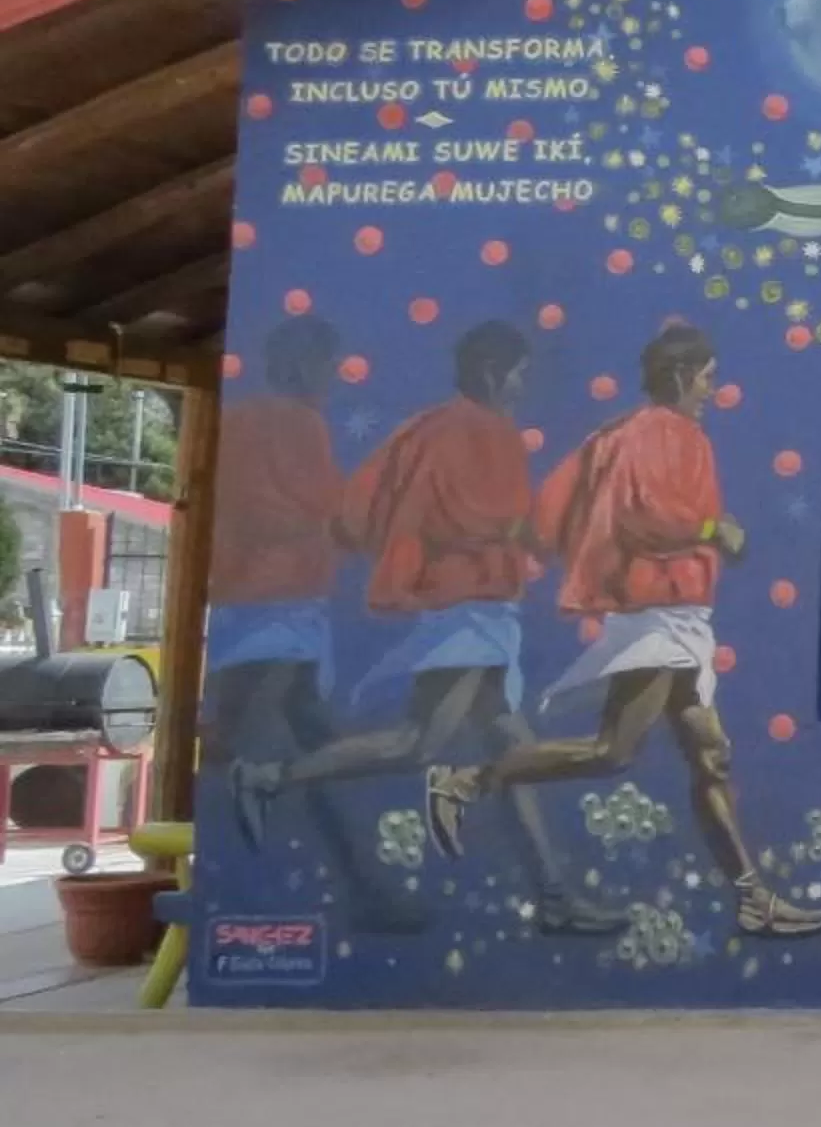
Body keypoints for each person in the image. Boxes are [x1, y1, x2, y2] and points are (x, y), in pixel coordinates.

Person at [430, 323, 821, 937]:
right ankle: (465, 782)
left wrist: (540, 543)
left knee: (711, 757)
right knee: (612, 751)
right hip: (658, 617)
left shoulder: (612, 436)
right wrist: (713, 530)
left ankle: (752, 898)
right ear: (679, 376)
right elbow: (647, 515)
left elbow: (550, 512)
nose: (713, 390)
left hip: (679, 617)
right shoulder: (667, 435)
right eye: (708, 377)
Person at [237, 322, 624, 935]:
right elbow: (487, 516)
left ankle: (553, 896)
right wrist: (554, 524)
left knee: (514, 750)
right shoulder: (480, 430)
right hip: (467, 612)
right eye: (520, 372)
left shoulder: (430, 426)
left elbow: (359, 512)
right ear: (496, 372)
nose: (525, 384)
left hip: (477, 612)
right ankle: (270, 776)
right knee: (417, 744)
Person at [204, 315, 412, 927]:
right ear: (302, 364)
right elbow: (318, 507)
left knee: (296, 737)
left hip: (255, 601)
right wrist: (357, 525)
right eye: (325, 363)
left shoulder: (247, 420)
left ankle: (360, 887)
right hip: (282, 603)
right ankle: (350, 885)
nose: (331, 376)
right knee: (293, 743)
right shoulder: (296, 422)